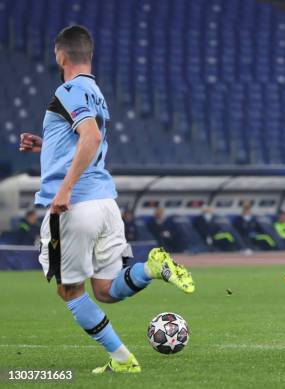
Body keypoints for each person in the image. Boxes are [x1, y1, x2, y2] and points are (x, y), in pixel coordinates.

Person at [18, 25, 194, 374]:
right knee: (105, 290)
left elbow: (91, 137)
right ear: (90, 55)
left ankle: (123, 359)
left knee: (70, 292)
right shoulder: (95, 92)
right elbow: (83, 139)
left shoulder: (67, 89)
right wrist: (46, 144)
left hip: (76, 205)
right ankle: (150, 268)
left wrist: (64, 189)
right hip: (106, 204)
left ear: (60, 55)